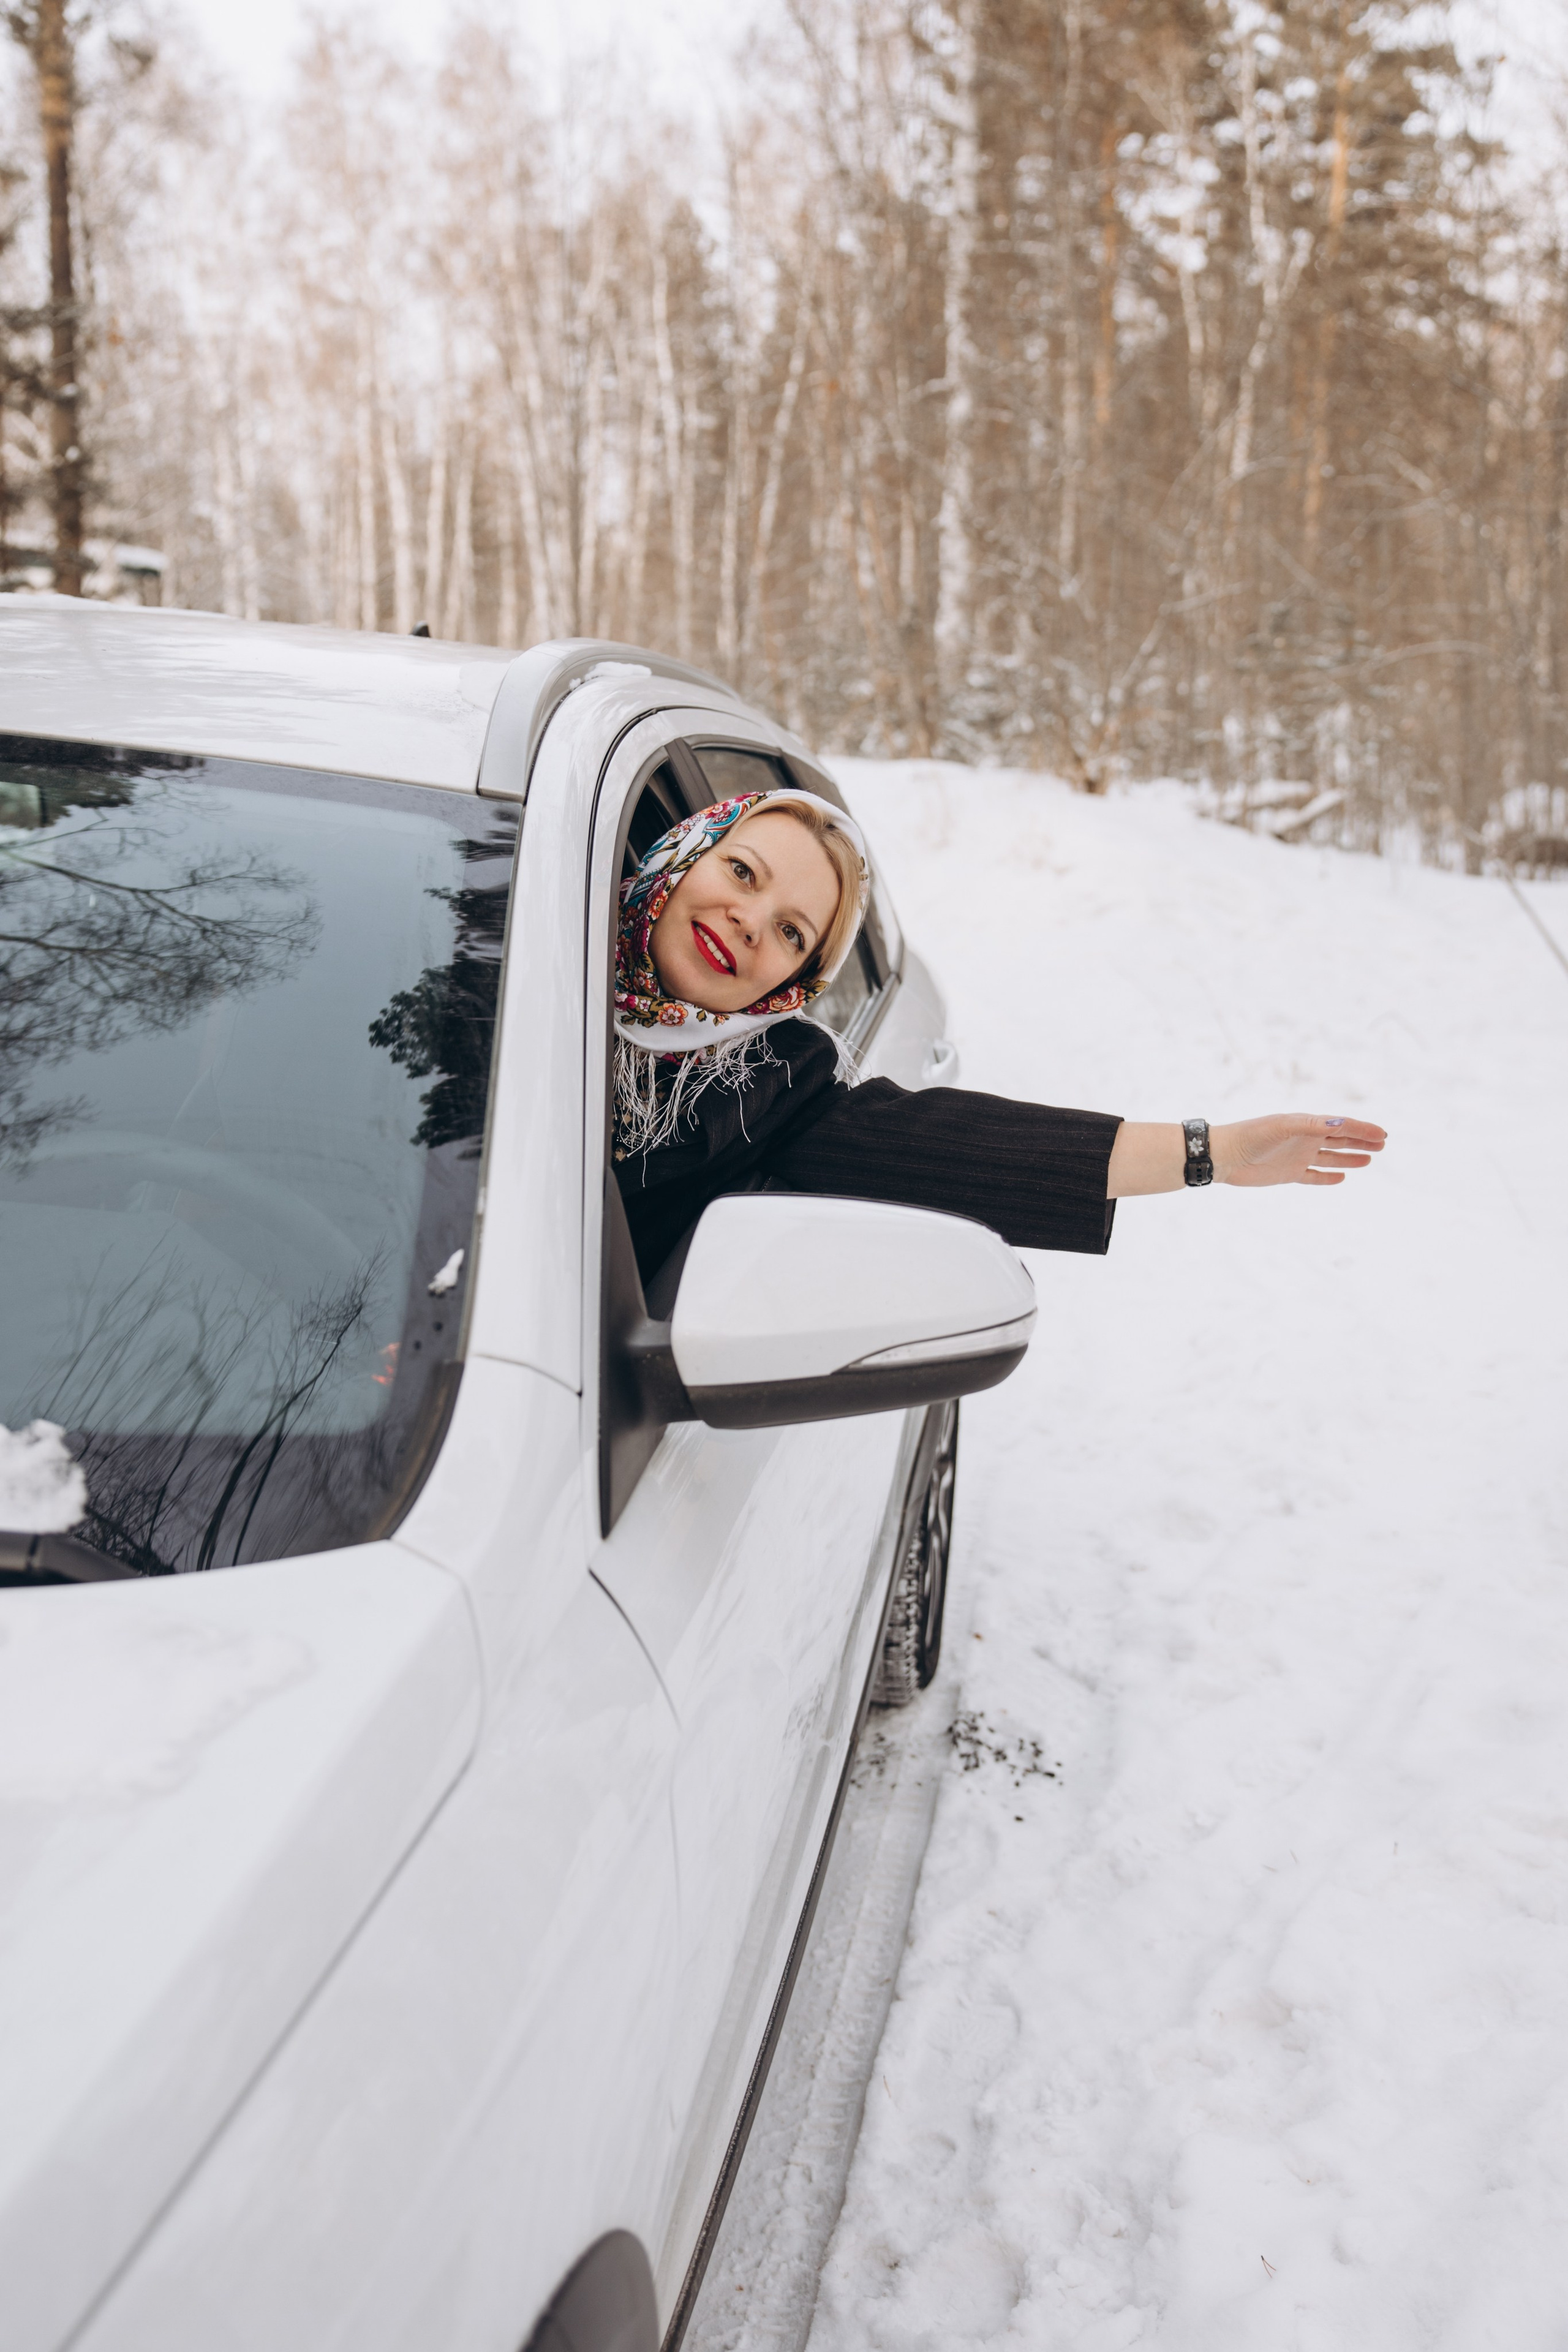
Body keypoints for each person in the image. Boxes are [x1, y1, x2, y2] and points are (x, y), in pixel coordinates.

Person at [612, 786, 1385, 1284]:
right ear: (681, 857)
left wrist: (1210, 1150)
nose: (749, 922)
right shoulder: (516, 939)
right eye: (742, 873)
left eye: (790, 931)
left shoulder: (770, 1090)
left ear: (792, 983)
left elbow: (965, 1147)